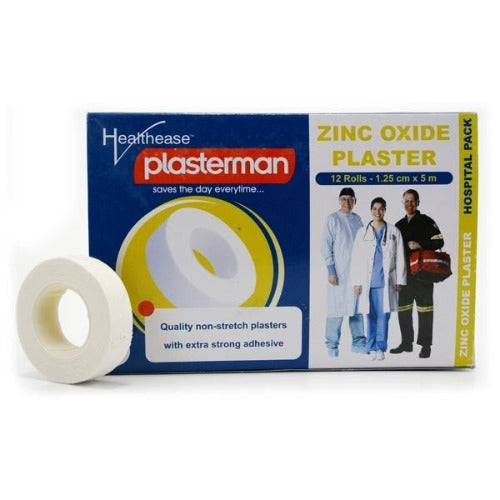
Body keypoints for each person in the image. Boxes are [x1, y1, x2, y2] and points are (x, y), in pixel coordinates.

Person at [390, 189, 444, 358]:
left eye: (413, 201)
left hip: (423, 275)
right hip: (405, 275)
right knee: (403, 310)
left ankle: (426, 346)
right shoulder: (398, 225)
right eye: (406, 201)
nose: (409, 204)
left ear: (418, 203)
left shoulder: (427, 221)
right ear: (403, 203)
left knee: (425, 310)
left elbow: (439, 241)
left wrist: (420, 244)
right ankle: (406, 343)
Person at [351, 197, 406, 361]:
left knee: (383, 316)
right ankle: (371, 347)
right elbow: (356, 258)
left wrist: (400, 280)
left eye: (381, 208)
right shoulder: (362, 232)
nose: (377, 212)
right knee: (369, 315)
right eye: (374, 208)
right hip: (367, 282)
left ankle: (380, 347)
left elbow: (400, 256)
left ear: (385, 210)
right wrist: (356, 282)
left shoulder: (394, 231)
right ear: (370, 210)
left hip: (385, 282)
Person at [321, 187, 366, 357]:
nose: (347, 202)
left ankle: (359, 343)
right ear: (339, 201)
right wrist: (331, 270)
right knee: (336, 308)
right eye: (343, 199)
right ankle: (332, 346)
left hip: (356, 272)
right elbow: (326, 245)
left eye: (350, 199)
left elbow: (363, 245)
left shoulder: (357, 219)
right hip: (339, 273)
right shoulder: (333, 219)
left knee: (357, 308)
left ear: (355, 201)